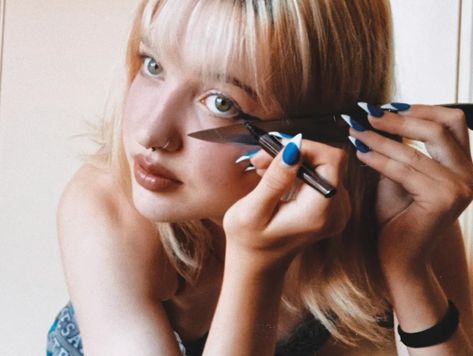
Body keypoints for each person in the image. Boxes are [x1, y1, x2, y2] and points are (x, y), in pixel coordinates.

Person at [47, 0, 473, 355]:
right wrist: (255, 266)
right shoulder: (105, 204)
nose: (150, 134)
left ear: (321, 125)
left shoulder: (401, 208)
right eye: (153, 64)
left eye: (222, 102)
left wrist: (407, 266)